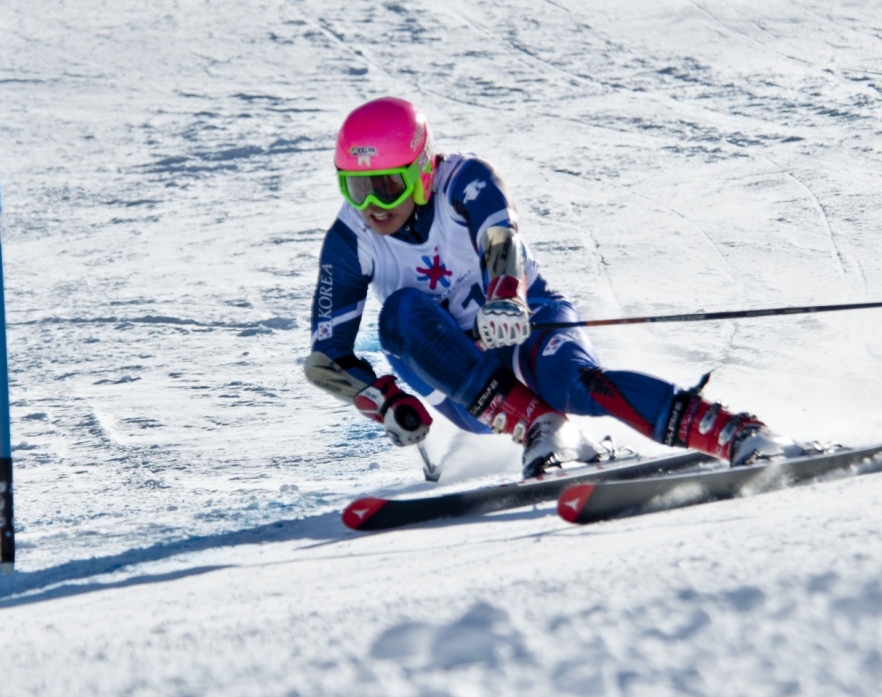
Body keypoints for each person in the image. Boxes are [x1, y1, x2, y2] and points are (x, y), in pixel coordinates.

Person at [304, 96, 801, 477]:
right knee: (400, 315)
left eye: (387, 186)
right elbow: (327, 358)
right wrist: (386, 401)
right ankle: (542, 427)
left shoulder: (465, 180)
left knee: (576, 383)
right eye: (356, 187)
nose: (373, 206)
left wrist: (504, 294)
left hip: (523, 324)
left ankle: (737, 433)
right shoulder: (351, 239)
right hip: (457, 380)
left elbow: (500, 236)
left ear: (421, 170)